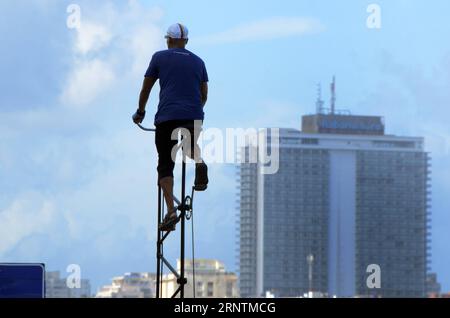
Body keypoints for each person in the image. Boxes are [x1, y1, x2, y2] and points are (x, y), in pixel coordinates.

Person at [132, 23, 209, 232]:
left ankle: (171, 211)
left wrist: (140, 112)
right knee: (189, 145)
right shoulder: (199, 62)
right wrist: (193, 111)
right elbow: (204, 95)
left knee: (165, 163)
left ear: (169, 40)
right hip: (193, 114)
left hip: (167, 117)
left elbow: (146, 89)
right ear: (186, 41)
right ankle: (200, 161)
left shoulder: (159, 57)